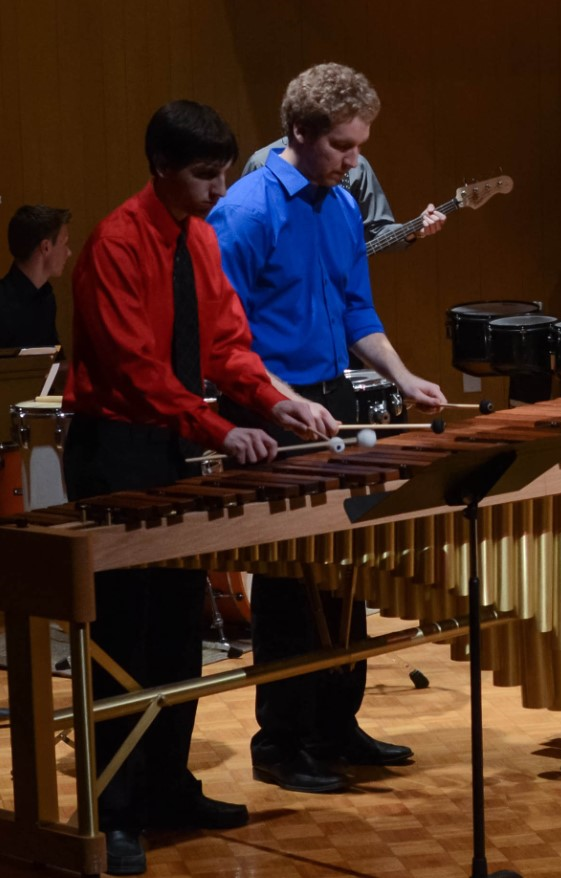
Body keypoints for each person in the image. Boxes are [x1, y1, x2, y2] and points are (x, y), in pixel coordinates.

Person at [63, 100, 335, 875]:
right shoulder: (116, 242)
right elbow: (133, 370)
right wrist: (220, 430)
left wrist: (274, 398)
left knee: (179, 631)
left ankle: (167, 786)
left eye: (222, 173)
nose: (219, 189)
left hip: (170, 443)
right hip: (115, 450)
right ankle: (114, 810)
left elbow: (223, 343)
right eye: (204, 175)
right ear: (161, 167)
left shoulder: (201, 238)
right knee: (124, 638)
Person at [208, 62, 448, 795]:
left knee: (344, 572)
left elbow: (355, 312)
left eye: (360, 145)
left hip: (330, 396)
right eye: (343, 146)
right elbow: (226, 339)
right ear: (299, 133)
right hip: (266, 408)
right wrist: (282, 399)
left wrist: (404, 376)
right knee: (287, 585)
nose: (355, 161)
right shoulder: (245, 213)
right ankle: (282, 741)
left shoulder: (342, 206)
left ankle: (336, 723)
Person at [241, 135, 446, 250]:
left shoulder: (356, 167)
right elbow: (243, 236)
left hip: (337, 295)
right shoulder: (262, 163)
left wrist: (415, 229)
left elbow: (377, 230)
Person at [0, 204, 72, 348]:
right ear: (45, 247)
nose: (69, 252)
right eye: (64, 244)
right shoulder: (2, 304)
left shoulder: (46, 297)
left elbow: (52, 360)